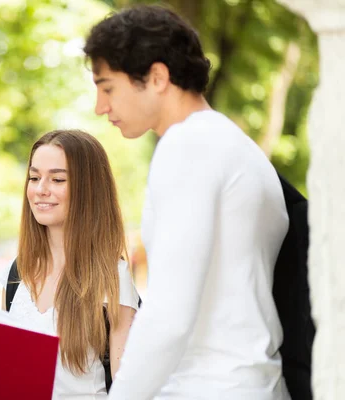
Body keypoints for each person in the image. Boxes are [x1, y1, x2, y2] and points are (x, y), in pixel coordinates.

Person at [84, 5, 291, 400]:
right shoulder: (237, 147)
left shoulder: (188, 145)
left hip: (210, 386)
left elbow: (169, 315)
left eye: (108, 87)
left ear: (157, 77)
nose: (100, 106)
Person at [0, 129, 139, 398]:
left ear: (89, 189)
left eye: (58, 179)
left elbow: (128, 389)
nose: (41, 190)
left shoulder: (113, 277)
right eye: (34, 177)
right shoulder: (16, 274)